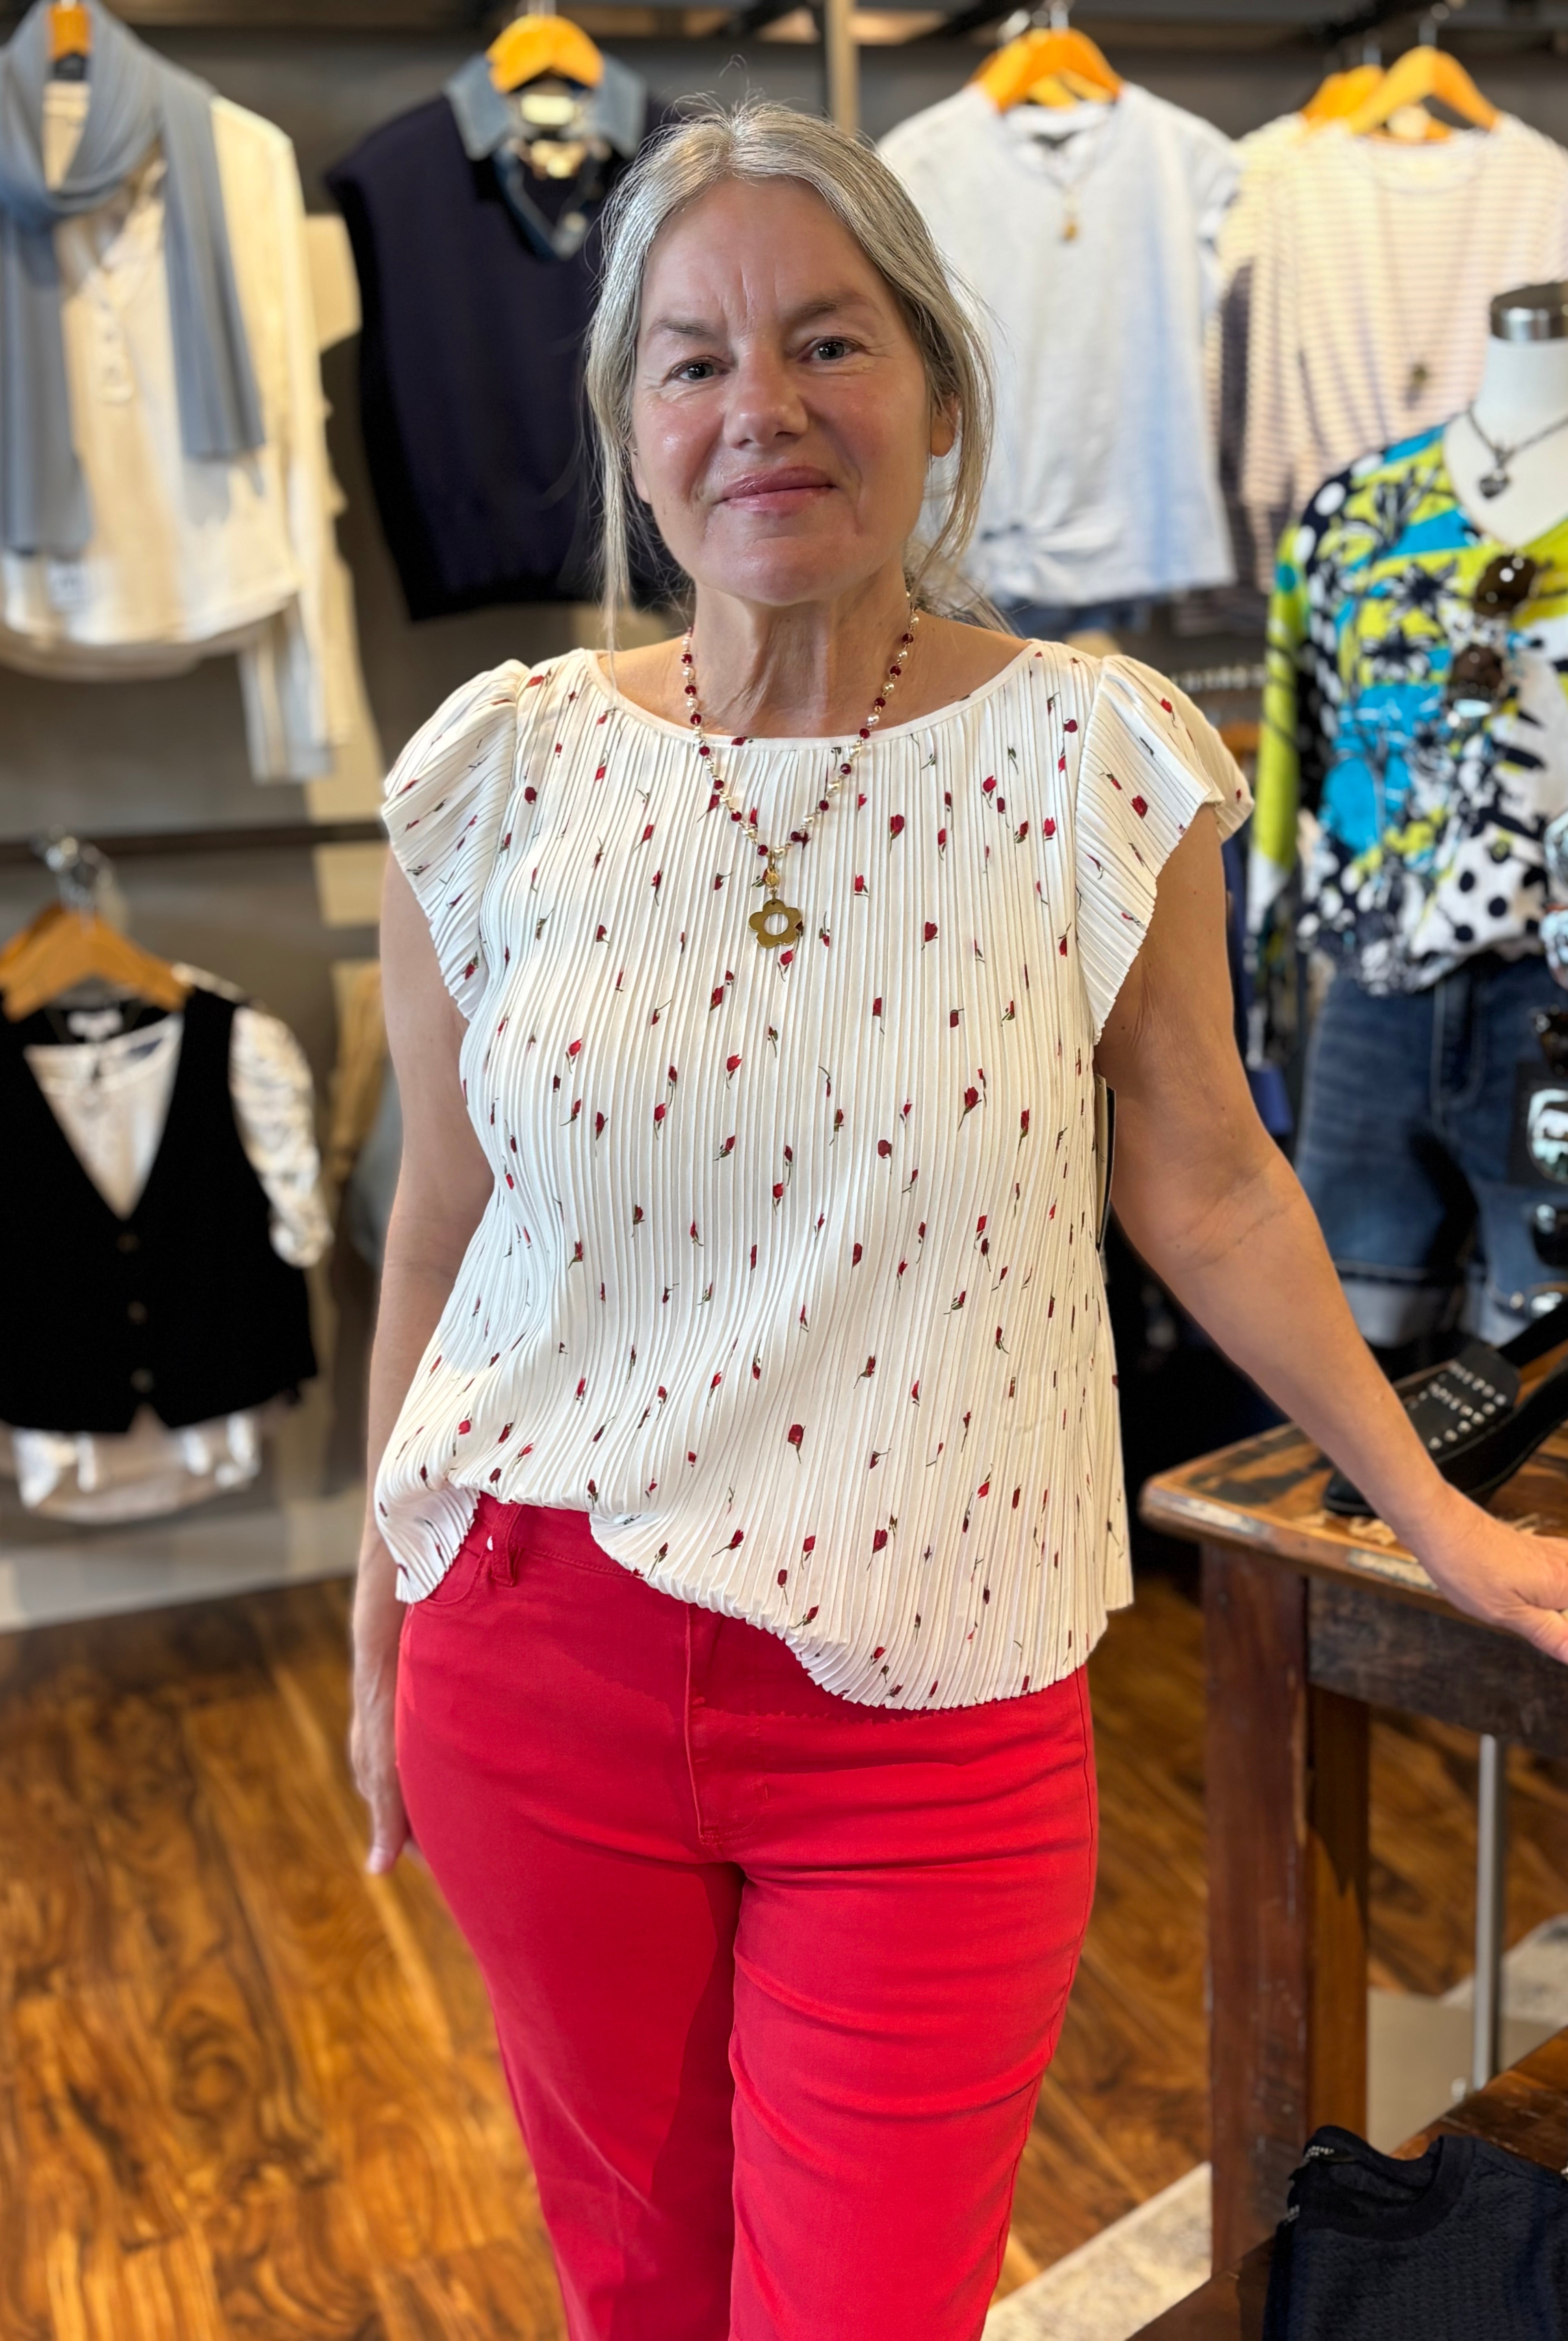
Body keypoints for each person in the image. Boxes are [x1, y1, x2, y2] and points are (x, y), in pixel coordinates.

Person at [351, 99, 1568, 2341]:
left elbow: (1204, 1171)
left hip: (939, 1684)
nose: (763, 410)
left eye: (827, 341)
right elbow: (439, 1227)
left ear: (933, 388)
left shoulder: (1088, 763)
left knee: (864, 2307)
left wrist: (1430, 1517)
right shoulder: (494, 769)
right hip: (535, 1643)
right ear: (630, 427)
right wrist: (374, 1622)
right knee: (637, 2278)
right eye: (694, 361)